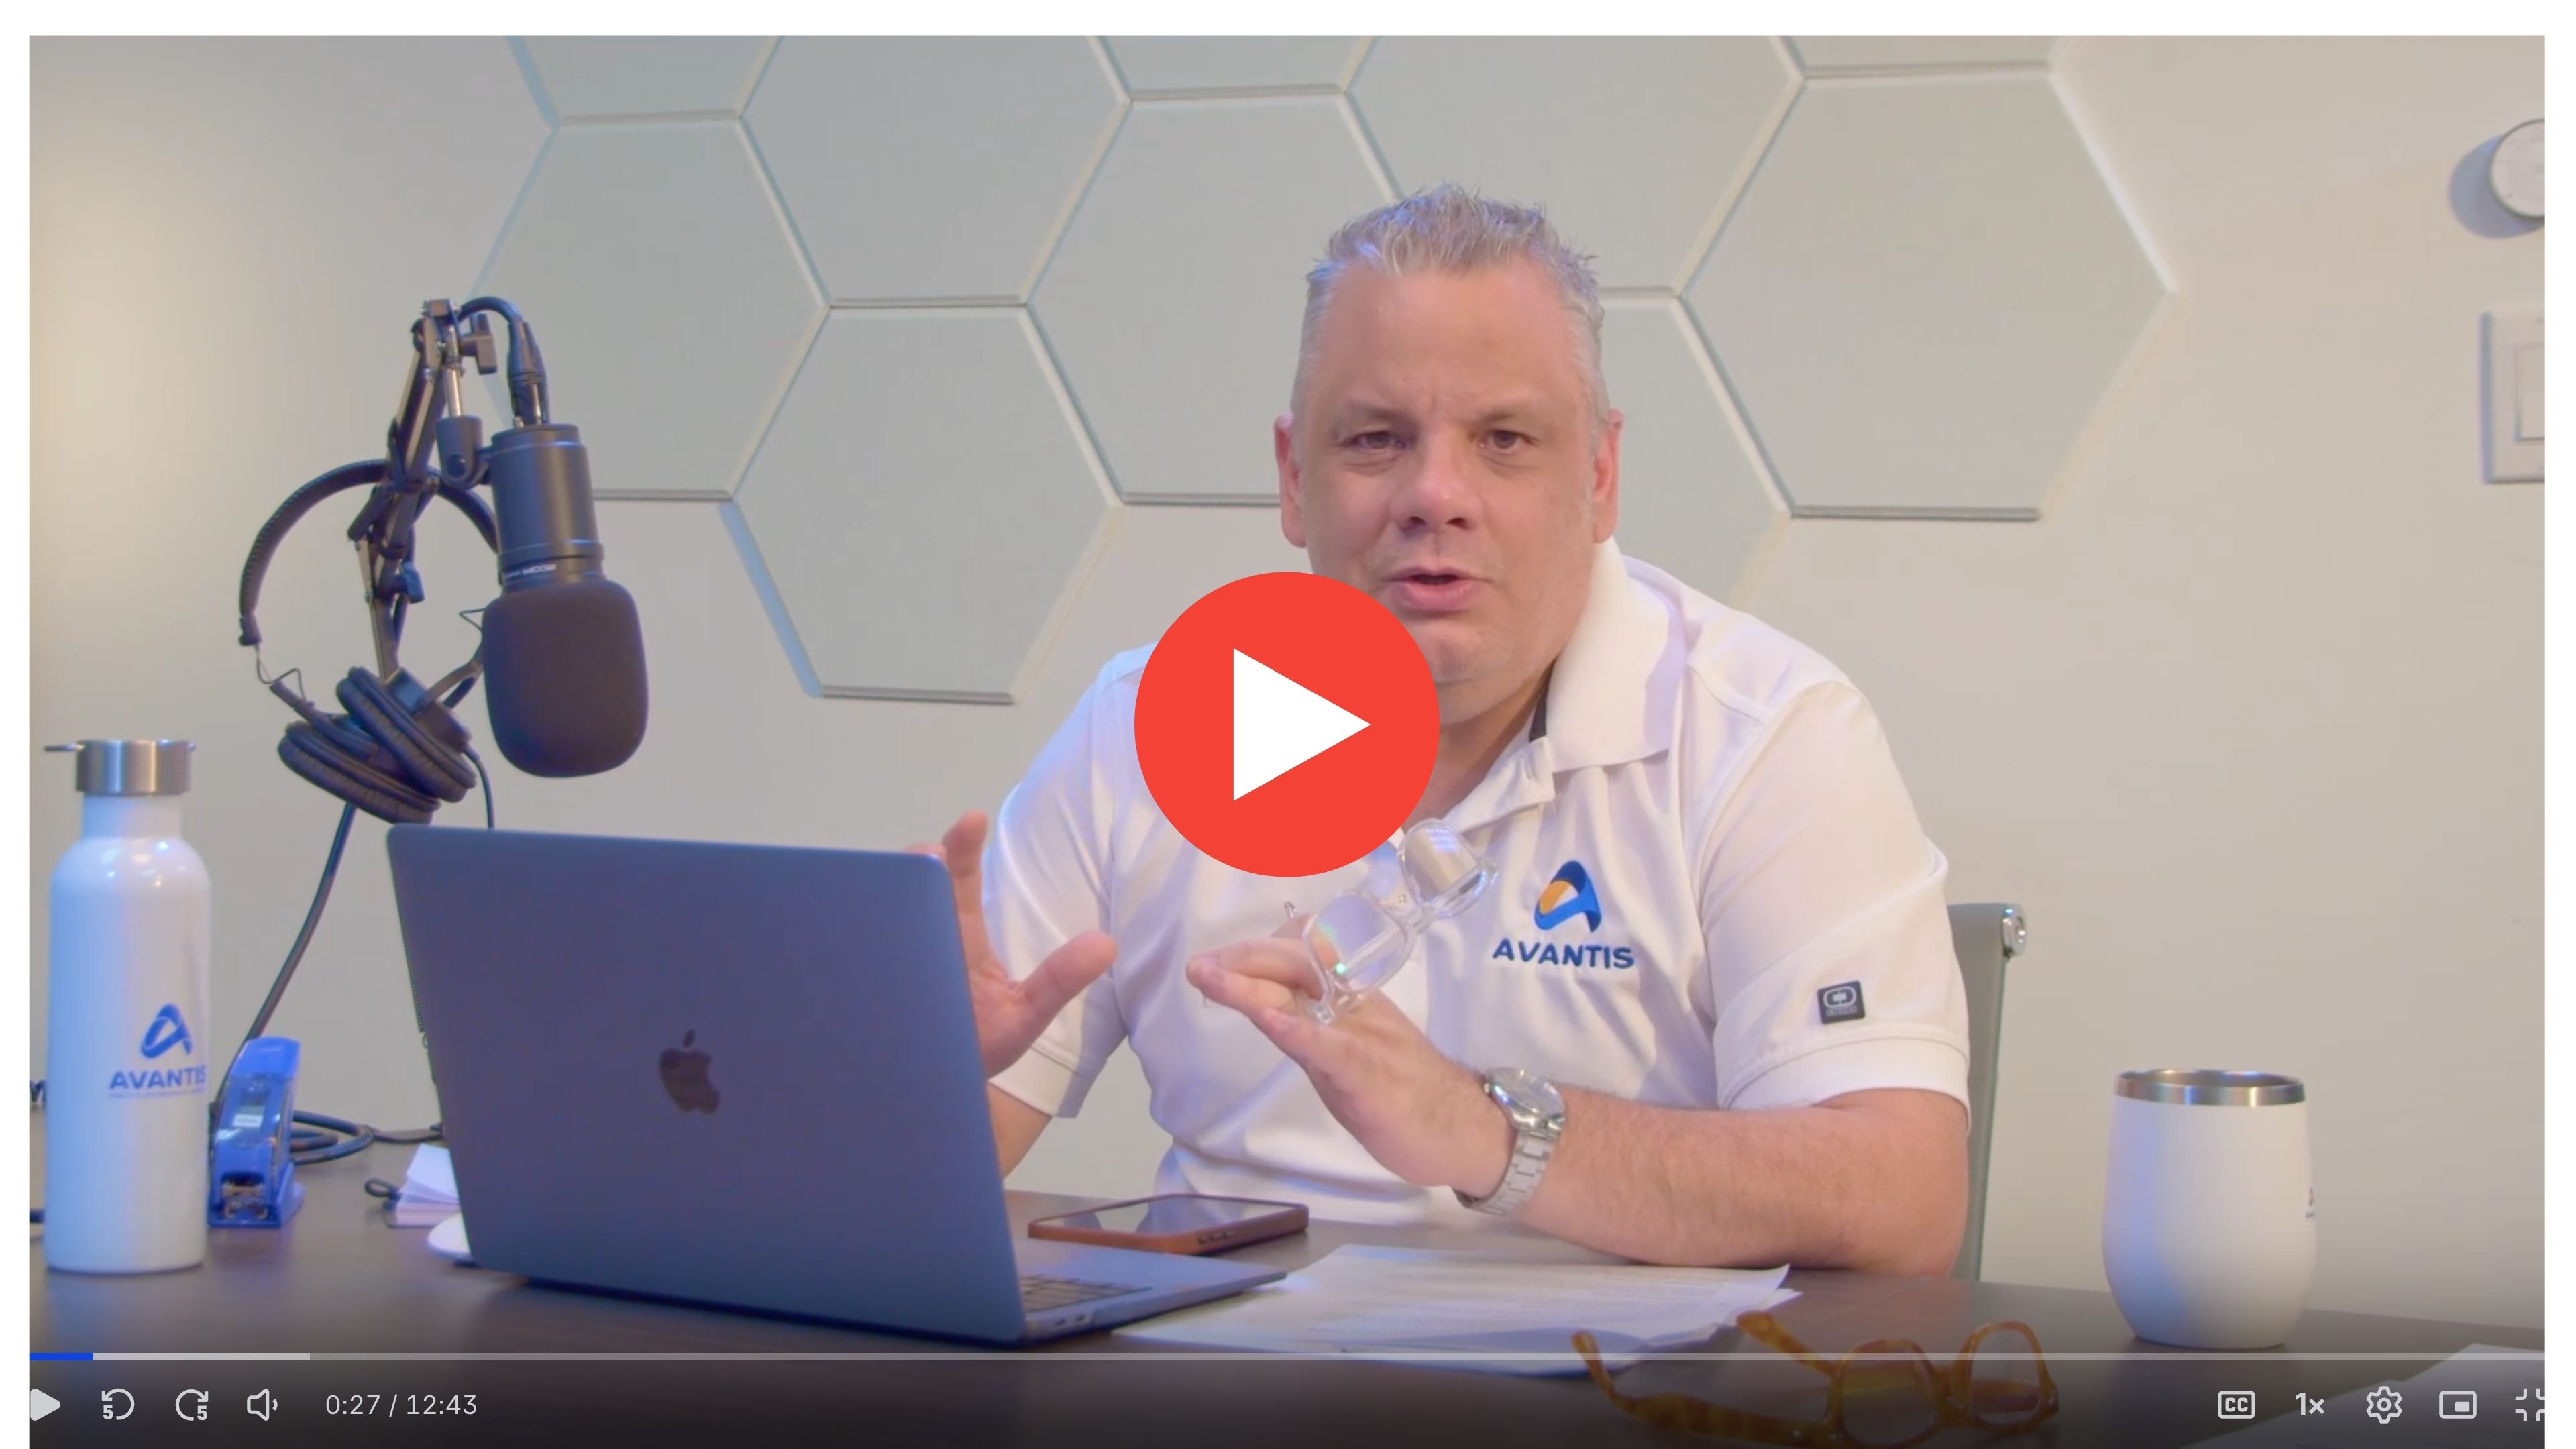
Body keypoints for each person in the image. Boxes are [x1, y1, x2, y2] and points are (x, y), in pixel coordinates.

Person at [922, 185, 1970, 1275]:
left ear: (1599, 476)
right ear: (1294, 478)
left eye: (1505, 440)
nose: (1435, 494)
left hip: (1614, 1369)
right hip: (1219, 1358)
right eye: (1376, 440)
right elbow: (918, 1164)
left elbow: (1901, 1200)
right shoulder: (1150, 727)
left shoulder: (1766, 734)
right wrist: (908, 1086)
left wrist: (1486, 1132)